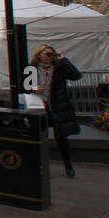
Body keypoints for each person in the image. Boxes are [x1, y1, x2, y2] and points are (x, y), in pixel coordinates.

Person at [32, 44, 82, 178]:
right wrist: (34, 89)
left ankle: (68, 165)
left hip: (57, 105)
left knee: (61, 137)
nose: (49, 57)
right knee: (36, 136)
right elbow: (25, 85)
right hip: (38, 104)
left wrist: (63, 60)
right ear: (39, 55)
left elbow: (76, 76)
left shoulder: (59, 67)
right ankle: (36, 165)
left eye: (51, 54)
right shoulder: (32, 68)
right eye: (47, 54)